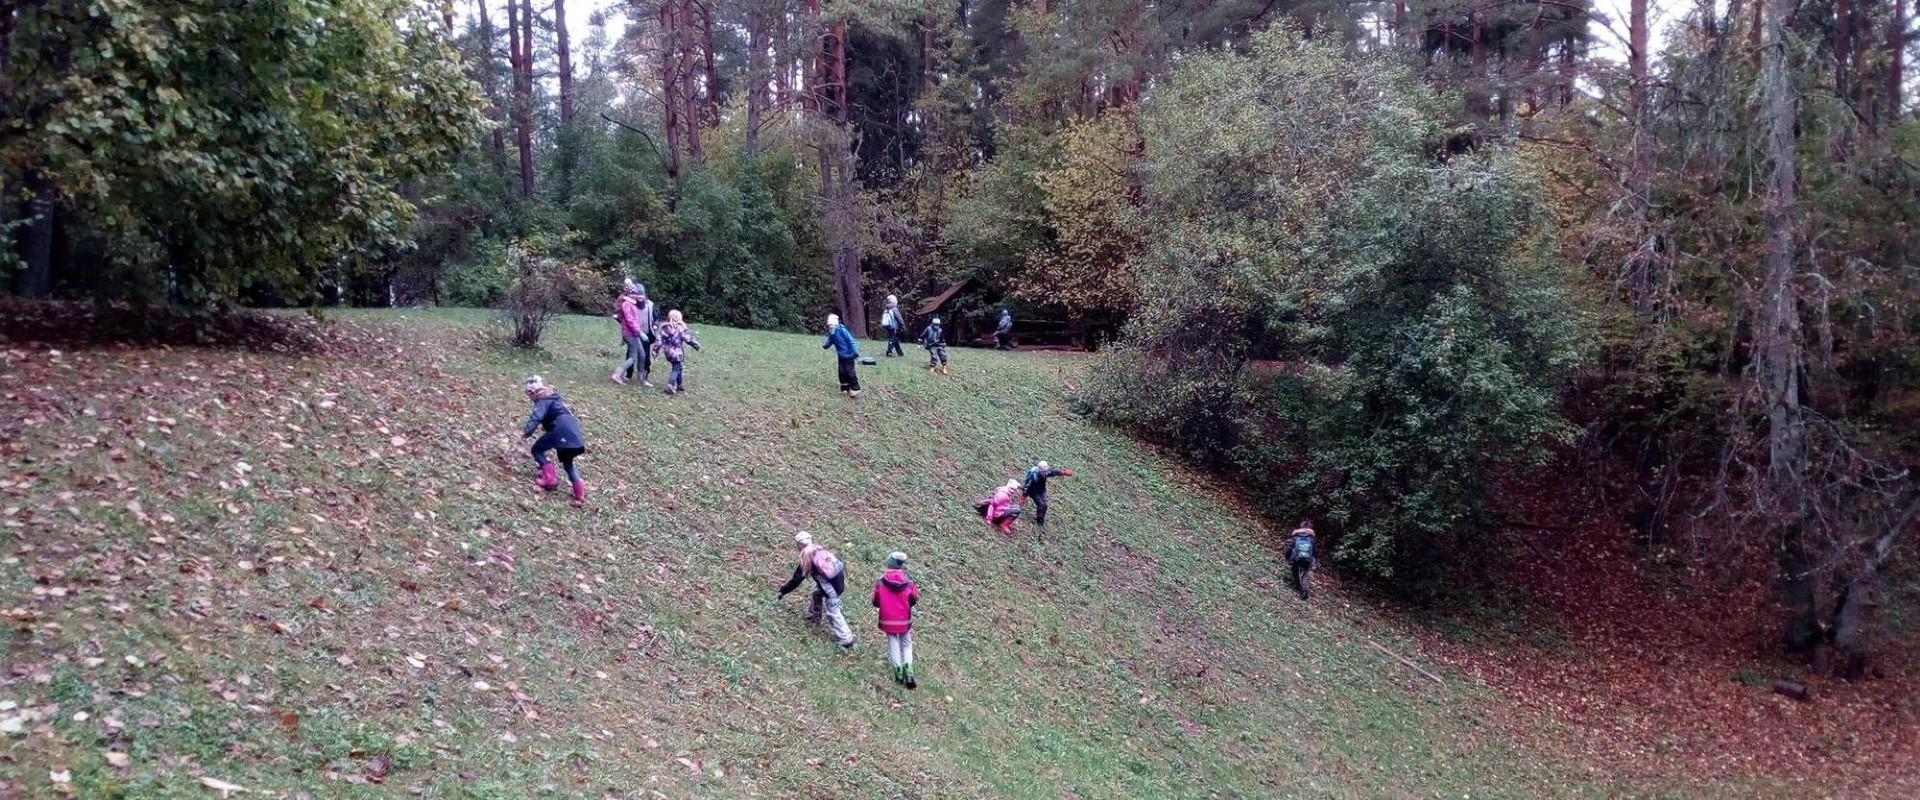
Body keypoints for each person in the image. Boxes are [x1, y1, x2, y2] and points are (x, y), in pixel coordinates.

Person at [776, 531, 855, 651]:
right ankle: (814, 617)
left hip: (831, 589)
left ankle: (846, 640)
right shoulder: (818, 549)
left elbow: (797, 579)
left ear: (800, 544)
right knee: (817, 593)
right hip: (839, 582)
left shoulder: (806, 557)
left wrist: (783, 591)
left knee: (833, 612)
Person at [520, 376, 588, 506]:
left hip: (560, 430)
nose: (530, 398)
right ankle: (579, 495)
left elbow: (536, 417)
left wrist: (526, 432)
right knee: (568, 464)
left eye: (529, 394)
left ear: (534, 392)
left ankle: (550, 479)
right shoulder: (555, 399)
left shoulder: (543, 401)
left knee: (537, 450)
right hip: (574, 433)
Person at [872, 551, 920, 688]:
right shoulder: (908, 582)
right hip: (903, 620)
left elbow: (875, 600)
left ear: (889, 563)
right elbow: (914, 598)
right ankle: (909, 673)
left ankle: (898, 674)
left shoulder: (881, 582)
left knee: (893, 642)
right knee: (906, 643)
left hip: (887, 619)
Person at [611, 280, 659, 388]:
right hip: (631, 334)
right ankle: (617, 374)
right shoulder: (627, 304)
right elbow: (630, 321)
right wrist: (640, 333)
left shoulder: (632, 303)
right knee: (633, 357)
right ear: (631, 294)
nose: (639, 296)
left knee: (642, 355)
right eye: (636, 293)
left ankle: (641, 379)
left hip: (634, 334)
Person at [651, 309, 703, 395]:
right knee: (676, 369)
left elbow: (659, 341)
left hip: (668, 352)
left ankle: (679, 384)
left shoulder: (664, 328)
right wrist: (696, 345)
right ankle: (671, 386)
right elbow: (687, 338)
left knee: (679, 367)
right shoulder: (680, 328)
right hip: (677, 352)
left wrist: (655, 350)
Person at [1021, 460, 1074, 528]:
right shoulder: (1033, 476)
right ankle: (1039, 521)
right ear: (1040, 471)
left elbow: (1052, 472)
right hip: (1033, 491)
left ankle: (1041, 520)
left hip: (1041, 490)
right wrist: (1024, 496)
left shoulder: (1045, 472)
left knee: (1045, 505)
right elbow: (1027, 485)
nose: (1046, 473)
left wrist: (1062, 472)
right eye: (1044, 472)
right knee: (1041, 504)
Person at [822, 313, 862, 397]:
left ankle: (856, 388)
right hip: (841, 356)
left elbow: (851, 341)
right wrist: (825, 345)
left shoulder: (842, 331)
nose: (830, 328)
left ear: (836, 324)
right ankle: (845, 388)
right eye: (829, 326)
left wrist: (855, 352)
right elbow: (829, 341)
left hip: (849, 355)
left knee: (850, 372)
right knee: (841, 372)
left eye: (831, 325)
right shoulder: (832, 334)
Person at [1286, 520, 1316, 601]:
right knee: (1305, 573)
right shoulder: (1311, 539)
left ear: (1301, 527)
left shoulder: (1296, 536)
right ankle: (1304, 589)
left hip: (1296, 558)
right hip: (1307, 559)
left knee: (1294, 569)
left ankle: (1297, 585)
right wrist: (1313, 561)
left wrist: (1287, 556)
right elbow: (1314, 552)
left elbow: (1290, 548)